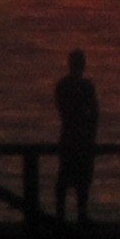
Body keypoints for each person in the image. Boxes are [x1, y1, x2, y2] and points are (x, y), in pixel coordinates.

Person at [52, 51, 100, 222]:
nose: (80, 66)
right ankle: (62, 215)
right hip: (72, 137)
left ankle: (80, 214)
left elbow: (94, 113)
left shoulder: (85, 86)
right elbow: (66, 112)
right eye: (78, 63)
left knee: (83, 178)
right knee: (65, 177)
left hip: (82, 137)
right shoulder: (65, 85)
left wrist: (90, 133)